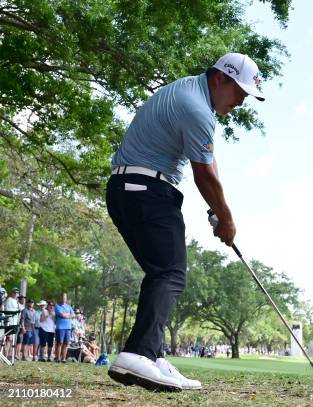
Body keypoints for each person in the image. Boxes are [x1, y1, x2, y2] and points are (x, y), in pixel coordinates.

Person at [105, 52, 265, 392]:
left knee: (163, 271)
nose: (241, 102)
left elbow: (208, 162)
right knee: (170, 272)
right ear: (221, 78)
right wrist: (227, 218)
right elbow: (204, 175)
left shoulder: (191, 92)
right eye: (240, 93)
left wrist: (218, 211)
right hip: (143, 190)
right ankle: (138, 353)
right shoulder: (197, 108)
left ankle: (154, 356)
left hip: (131, 188)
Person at [54, 293, 75, 363]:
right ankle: (58, 358)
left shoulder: (69, 306)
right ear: (61, 298)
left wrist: (66, 315)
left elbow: (73, 315)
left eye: (65, 297)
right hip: (60, 327)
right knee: (59, 343)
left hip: (68, 328)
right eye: (63, 297)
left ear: (66, 298)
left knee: (66, 343)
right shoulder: (57, 306)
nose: (64, 299)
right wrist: (68, 315)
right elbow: (61, 315)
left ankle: (63, 358)